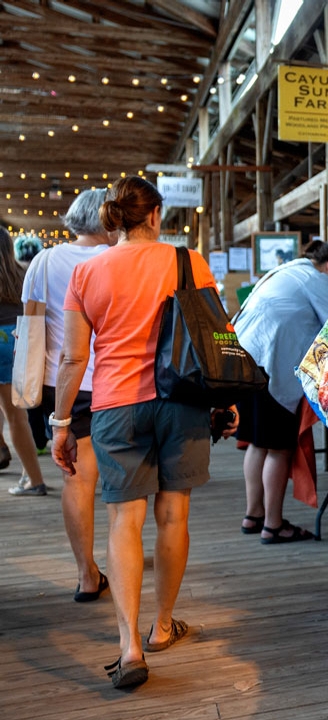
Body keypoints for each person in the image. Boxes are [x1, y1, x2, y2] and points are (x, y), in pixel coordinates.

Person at [52, 176, 237, 689]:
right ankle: (161, 627)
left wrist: (62, 422)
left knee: (123, 522)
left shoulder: (86, 272)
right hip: (180, 403)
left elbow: (73, 357)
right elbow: (216, 338)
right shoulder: (188, 262)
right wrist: (223, 401)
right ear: (155, 215)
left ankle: (129, 645)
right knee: (173, 514)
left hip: (114, 408)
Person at [20, 189, 116, 601]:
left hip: (65, 386)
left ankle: (86, 576)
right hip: (120, 382)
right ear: (109, 220)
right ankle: (122, 556)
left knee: (76, 479)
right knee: (121, 481)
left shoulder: (43, 261)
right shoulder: (117, 260)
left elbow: (30, 321)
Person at [234, 240, 328, 543]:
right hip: (271, 366)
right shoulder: (318, 280)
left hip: (244, 361)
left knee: (257, 444)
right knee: (278, 447)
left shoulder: (286, 270)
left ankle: (253, 513)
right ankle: (273, 525)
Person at [1, 227, 48, 497]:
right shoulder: (22, 272)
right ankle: (30, 475)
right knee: (18, 418)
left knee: (12, 419)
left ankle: (35, 479)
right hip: (18, 341)